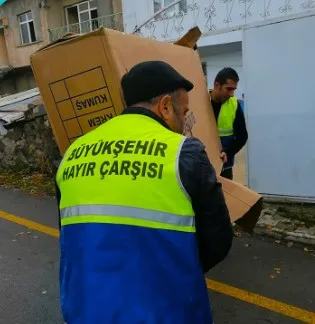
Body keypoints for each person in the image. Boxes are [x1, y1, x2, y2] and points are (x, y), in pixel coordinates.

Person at [55, 60, 233, 323]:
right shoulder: (184, 153)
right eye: (183, 112)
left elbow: (72, 236)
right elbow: (217, 241)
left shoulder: (72, 153)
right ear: (164, 107)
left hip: (85, 310)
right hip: (164, 311)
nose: (185, 121)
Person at [210, 67, 248, 180]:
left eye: (234, 90)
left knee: (225, 196)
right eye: (229, 89)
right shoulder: (201, 101)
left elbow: (242, 136)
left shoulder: (234, 104)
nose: (232, 94)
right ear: (217, 85)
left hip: (225, 166)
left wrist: (228, 152)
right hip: (203, 165)